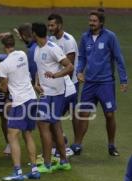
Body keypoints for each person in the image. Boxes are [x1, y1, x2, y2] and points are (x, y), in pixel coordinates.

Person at [0, 34, 40, 181]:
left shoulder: (4, 65)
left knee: (12, 136)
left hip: (20, 102)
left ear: (3, 46)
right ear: (13, 44)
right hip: (32, 98)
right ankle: (34, 170)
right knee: (27, 134)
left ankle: (18, 171)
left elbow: (3, 89)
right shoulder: (22, 54)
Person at [72, 9, 128, 156]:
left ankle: (111, 145)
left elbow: (119, 58)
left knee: (109, 114)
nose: (91, 23)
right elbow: (82, 57)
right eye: (90, 20)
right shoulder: (85, 37)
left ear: (101, 23)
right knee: (83, 113)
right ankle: (77, 145)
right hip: (89, 83)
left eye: (94, 21)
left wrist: (123, 80)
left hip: (106, 83)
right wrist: (79, 71)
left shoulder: (110, 37)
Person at [32, 23, 73, 173]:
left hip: (54, 94)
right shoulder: (37, 49)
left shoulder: (52, 48)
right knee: (56, 127)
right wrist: (36, 83)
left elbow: (69, 66)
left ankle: (47, 164)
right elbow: (40, 69)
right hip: (45, 92)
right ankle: (63, 161)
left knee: (43, 126)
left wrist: (55, 75)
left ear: (35, 34)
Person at [47, 13, 79, 157]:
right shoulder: (51, 39)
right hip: (56, 83)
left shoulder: (68, 41)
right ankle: (60, 143)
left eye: (52, 25)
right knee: (54, 116)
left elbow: (69, 66)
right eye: (48, 25)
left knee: (57, 116)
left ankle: (68, 145)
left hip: (69, 84)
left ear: (60, 25)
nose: (50, 28)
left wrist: (63, 84)